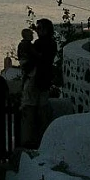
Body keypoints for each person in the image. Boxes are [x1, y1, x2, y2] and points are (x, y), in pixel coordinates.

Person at [32, 18, 57, 146]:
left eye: (39, 28)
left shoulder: (40, 44)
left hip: (39, 79)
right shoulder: (52, 43)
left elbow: (38, 59)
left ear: (46, 30)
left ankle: (40, 139)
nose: (37, 31)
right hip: (45, 78)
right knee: (41, 108)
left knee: (39, 110)